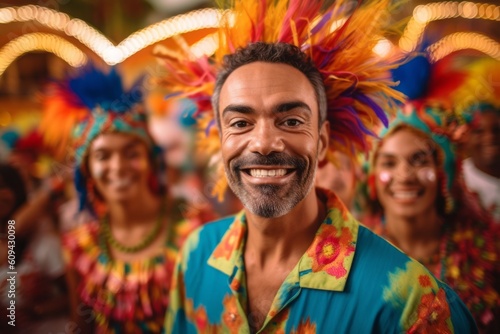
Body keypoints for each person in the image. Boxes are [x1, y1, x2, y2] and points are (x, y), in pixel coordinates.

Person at [159, 0, 477, 332]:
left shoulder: (408, 300)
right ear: (221, 140)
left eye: (292, 120)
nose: (264, 143)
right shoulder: (196, 256)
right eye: (240, 123)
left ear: (322, 140)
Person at [39, 64, 202, 333]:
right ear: (86, 170)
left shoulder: (194, 231)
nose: (118, 167)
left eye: (131, 153)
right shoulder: (81, 247)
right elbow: (79, 326)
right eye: (103, 156)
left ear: (151, 160)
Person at [362, 54, 500, 332]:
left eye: (419, 160)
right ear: (373, 177)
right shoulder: (352, 251)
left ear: (443, 173)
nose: (404, 176)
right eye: (389, 162)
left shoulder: (491, 250)